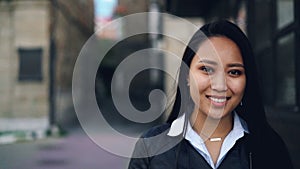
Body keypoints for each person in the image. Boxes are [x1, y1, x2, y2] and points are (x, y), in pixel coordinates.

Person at [127, 20, 293, 169]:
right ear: (187, 75)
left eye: (234, 72)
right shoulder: (152, 147)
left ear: (247, 80)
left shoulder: (269, 147)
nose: (220, 85)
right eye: (206, 69)